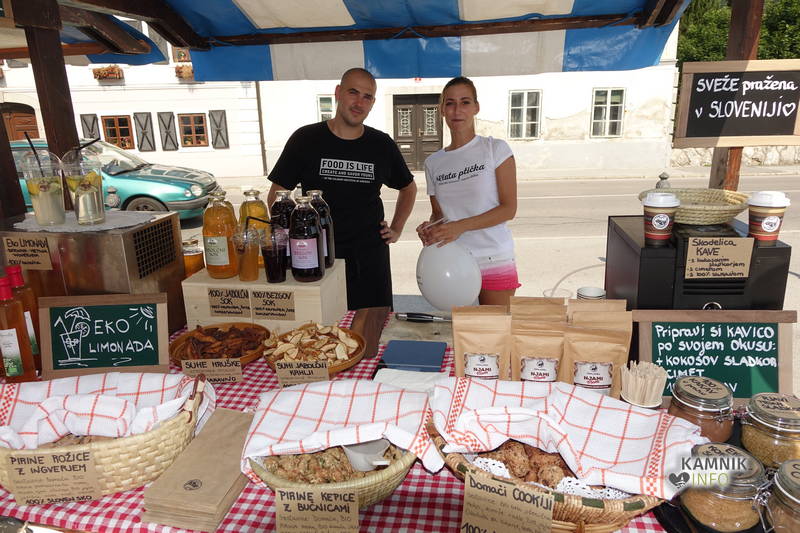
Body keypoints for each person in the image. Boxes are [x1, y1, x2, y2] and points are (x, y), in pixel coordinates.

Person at [266, 68, 417, 310]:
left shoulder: (381, 144)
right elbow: (277, 196)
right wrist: (292, 243)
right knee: (320, 328)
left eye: (367, 97)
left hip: (369, 259)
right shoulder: (305, 139)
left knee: (372, 327)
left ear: (373, 103)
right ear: (338, 93)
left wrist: (397, 228)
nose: (359, 103)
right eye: (353, 92)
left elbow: (408, 188)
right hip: (319, 258)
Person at [417, 76, 519, 306]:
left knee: (495, 326)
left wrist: (459, 226)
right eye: (450, 103)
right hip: (453, 260)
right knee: (460, 327)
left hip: (493, 256)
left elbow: (508, 209)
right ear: (442, 110)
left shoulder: (495, 149)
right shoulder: (433, 163)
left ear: (476, 107)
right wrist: (431, 229)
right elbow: (439, 214)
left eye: (465, 102)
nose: (457, 110)